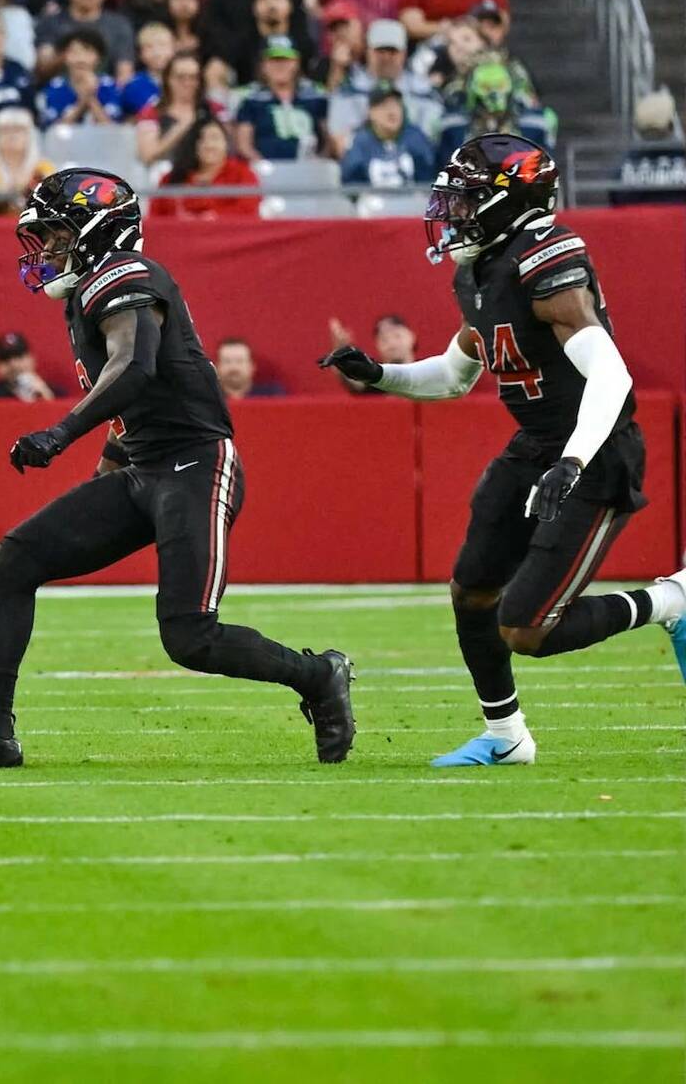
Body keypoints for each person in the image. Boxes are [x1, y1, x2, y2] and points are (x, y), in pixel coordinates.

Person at [0, 170, 356, 769]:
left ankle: (318, 674)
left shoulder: (126, 276)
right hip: (144, 466)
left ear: (96, 230)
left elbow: (136, 365)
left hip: (196, 464)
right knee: (10, 560)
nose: (45, 249)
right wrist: (104, 473)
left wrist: (61, 432)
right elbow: (137, 403)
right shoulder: (87, 291)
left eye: (55, 234)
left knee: (189, 636)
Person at [318, 134, 686, 764]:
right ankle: (505, 736)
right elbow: (454, 375)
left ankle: (672, 600)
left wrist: (571, 461)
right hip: (536, 445)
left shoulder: (545, 258)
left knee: (527, 628)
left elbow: (613, 374)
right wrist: (378, 375)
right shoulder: (482, 269)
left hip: (594, 449)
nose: (452, 213)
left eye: (465, 200)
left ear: (507, 203)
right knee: (472, 592)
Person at [339, 87, 438, 189]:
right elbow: (351, 183)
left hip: (413, 201)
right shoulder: (359, 141)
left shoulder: (415, 137)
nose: (392, 112)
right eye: (384, 106)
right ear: (371, 113)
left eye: (396, 105)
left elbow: (429, 178)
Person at [324, 313, 417, 396]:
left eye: (397, 336)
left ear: (412, 336)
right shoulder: (377, 381)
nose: (392, 343)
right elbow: (356, 385)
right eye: (384, 340)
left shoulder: (426, 374)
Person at [0, 331, 56, 401]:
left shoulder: (55, 392)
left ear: (32, 359)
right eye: (6, 359)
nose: (14, 364)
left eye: (19, 356)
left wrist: (47, 398)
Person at [214, 338, 284, 399]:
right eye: (227, 361)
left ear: (252, 366)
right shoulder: (206, 398)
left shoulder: (272, 395)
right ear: (217, 367)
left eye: (240, 361)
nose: (234, 367)